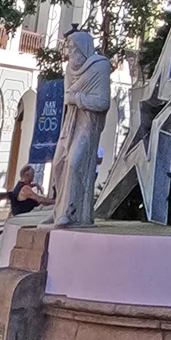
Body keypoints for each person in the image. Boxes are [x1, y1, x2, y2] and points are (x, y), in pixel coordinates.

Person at [46, 30, 111, 227]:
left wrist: (77, 99)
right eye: (69, 48)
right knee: (58, 163)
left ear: (84, 48)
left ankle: (70, 212)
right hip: (71, 123)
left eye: (73, 48)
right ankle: (58, 209)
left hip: (87, 124)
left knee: (74, 162)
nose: (70, 52)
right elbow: (67, 95)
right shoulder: (69, 69)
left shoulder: (100, 67)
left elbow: (102, 102)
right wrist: (71, 99)